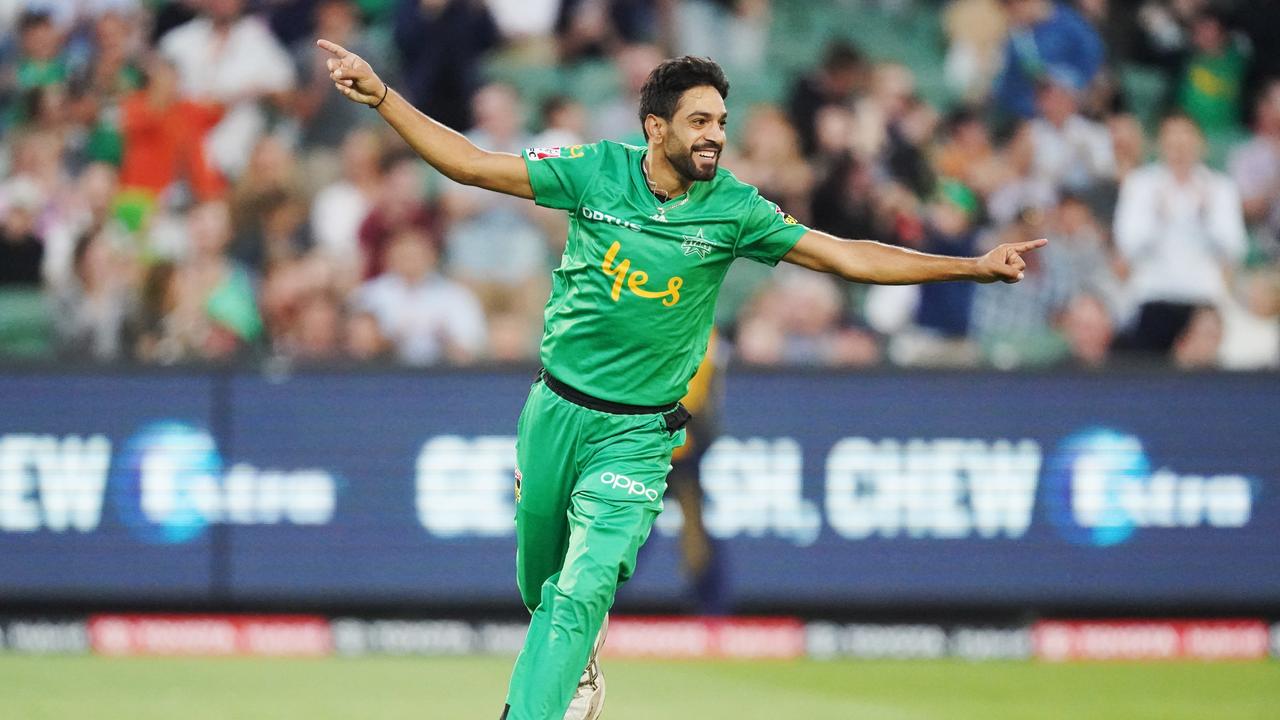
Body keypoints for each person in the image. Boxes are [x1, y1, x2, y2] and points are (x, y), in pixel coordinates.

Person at [317, 38, 1045, 720]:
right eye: (700, 120)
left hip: (637, 435)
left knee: (580, 589)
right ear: (655, 128)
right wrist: (382, 95)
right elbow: (471, 164)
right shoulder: (594, 170)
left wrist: (972, 264)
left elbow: (846, 256)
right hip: (554, 413)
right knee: (539, 589)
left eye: (722, 122)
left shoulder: (734, 209)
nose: (716, 135)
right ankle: (577, 667)